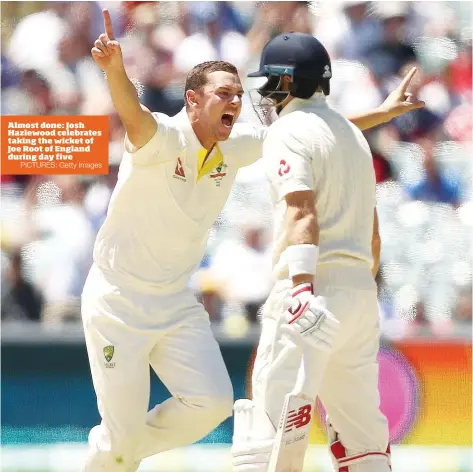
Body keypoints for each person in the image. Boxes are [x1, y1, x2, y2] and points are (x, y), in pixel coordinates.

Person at [83, 10, 423, 471]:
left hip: (174, 302)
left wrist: (381, 113)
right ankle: (115, 453)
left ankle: (115, 453)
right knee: (124, 445)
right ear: (192, 101)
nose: (237, 103)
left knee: (215, 403)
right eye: (224, 94)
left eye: (239, 95)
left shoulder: (236, 145)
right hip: (118, 301)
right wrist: (116, 72)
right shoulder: (161, 139)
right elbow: (134, 114)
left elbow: (311, 129)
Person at [232, 32, 423, 472]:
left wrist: (301, 288)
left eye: (271, 83)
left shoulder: (286, 131)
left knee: (264, 434)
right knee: (363, 439)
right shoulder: (355, 139)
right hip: (359, 294)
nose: (265, 94)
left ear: (287, 81)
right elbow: (373, 230)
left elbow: (301, 210)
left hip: (310, 288)